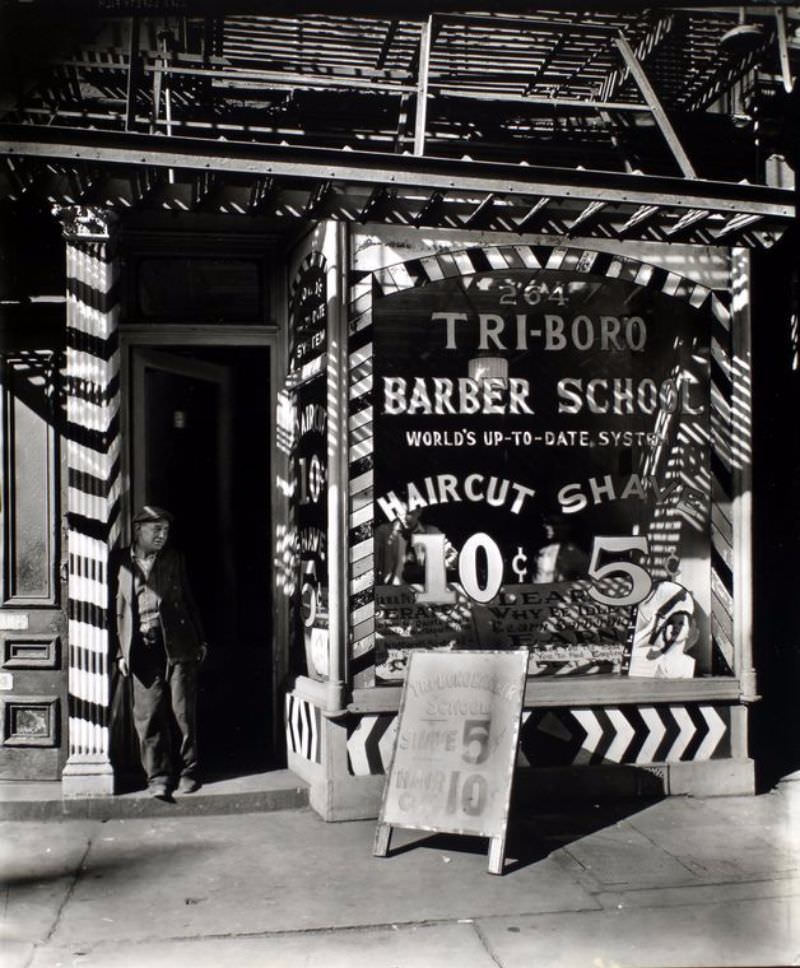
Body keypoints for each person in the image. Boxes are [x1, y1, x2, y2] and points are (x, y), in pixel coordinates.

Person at [110, 506, 208, 799]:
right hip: (140, 648)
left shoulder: (174, 559)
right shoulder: (118, 561)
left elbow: (189, 598)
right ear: (138, 529)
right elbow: (112, 611)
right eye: (156, 530)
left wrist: (201, 640)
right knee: (148, 714)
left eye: (165, 530)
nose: (162, 536)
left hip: (178, 644)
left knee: (182, 712)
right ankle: (158, 776)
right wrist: (119, 652)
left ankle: (188, 771)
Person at [374, 503, 457, 585]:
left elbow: (452, 558)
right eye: (399, 513)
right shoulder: (383, 533)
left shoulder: (432, 532)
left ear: (419, 511)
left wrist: (445, 564)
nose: (403, 518)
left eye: (408, 513)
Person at [533, 515, 589, 583]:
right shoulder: (541, 552)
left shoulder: (576, 554)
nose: (548, 527)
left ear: (567, 526)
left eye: (554, 524)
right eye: (547, 524)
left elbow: (587, 581)